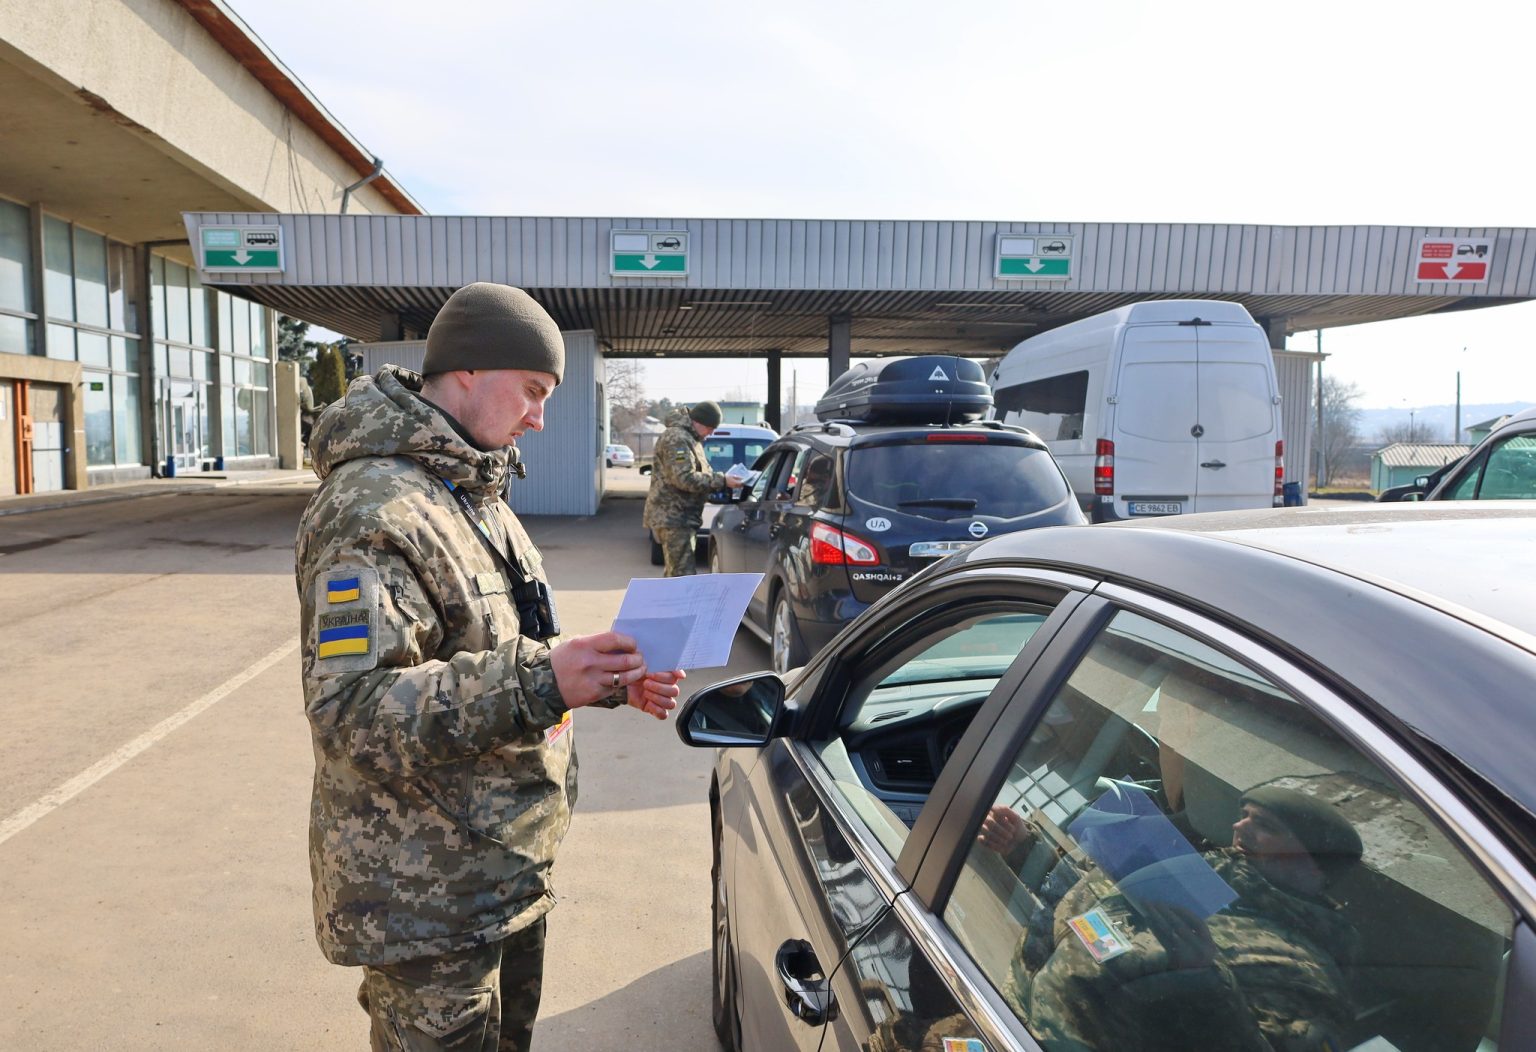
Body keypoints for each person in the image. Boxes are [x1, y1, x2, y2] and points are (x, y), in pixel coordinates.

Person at [295, 281, 684, 1052]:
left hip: (501, 871)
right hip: (425, 899)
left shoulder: (472, 492)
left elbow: (501, 645)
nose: (539, 417)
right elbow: (351, 711)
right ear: (468, 369)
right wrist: (542, 680)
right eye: (533, 390)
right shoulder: (372, 506)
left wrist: (600, 677)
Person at [981, 785, 1363, 1052]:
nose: (1239, 827)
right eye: (1244, 816)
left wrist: (1204, 983)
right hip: (999, 1014)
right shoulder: (1198, 873)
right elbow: (1100, 902)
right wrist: (1024, 848)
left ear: (1315, 864)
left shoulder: (1305, 969)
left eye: (1265, 825)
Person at [641, 400, 743, 576]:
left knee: (676, 575)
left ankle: (672, 595)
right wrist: (722, 480)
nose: (711, 433)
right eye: (710, 428)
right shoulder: (677, 439)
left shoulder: (691, 439)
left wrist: (721, 481)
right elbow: (684, 478)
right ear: (698, 422)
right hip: (673, 518)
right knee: (682, 576)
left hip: (683, 517)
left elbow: (701, 472)